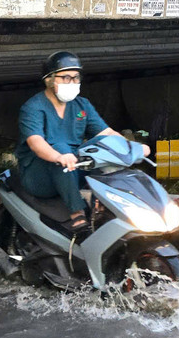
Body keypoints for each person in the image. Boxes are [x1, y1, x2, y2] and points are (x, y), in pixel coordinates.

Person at [16, 51, 120, 234]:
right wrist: (59, 156)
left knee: (103, 145)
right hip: (39, 176)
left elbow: (107, 133)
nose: (72, 82)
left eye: (76, 77)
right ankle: (77, 213)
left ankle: (101, 207)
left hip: (72, 169)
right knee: (61, 148)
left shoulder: (82, 105)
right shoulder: (33, 107)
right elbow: (36, 142)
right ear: (49, 80)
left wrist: (132, 147)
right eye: (66, 78)